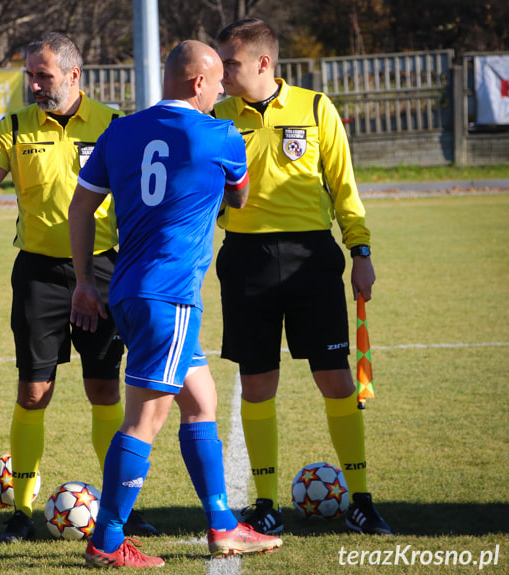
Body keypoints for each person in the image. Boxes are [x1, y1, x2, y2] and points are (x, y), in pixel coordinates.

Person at [0, 31, 156, 542]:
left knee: (105, 389)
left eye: (45, 75)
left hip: (105, 272)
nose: (36, 85)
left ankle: (118, 507)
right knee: (33, 391)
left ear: (73, 75)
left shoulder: (114, 125)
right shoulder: (14, 127)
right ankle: (20, 511)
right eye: (31, 76)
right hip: (40, 275)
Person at [69, 40, 283, 568]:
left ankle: (222, 524)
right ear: (196, 83)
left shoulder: (118, 131)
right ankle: (107, 539)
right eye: (216, 84)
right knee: (145, 419)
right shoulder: (221, 135)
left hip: (126, 286)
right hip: (170, 296)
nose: (221, 92)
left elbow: (80, 207)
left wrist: (82, 280)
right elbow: (239, 198)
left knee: (201, 401)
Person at [212, 18, 392, 536]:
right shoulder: (219, 116)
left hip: (312, 257)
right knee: (257, 383)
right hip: (245, 260)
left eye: (232, 63)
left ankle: (361, 499)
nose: (223, 73)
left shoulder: (316, 108)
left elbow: (343, 186)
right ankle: (265, 502)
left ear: (263, 63)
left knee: (336, 381)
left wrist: (360, 251)